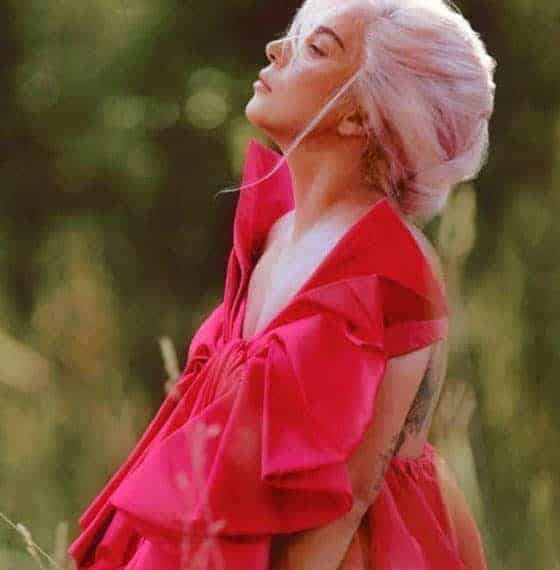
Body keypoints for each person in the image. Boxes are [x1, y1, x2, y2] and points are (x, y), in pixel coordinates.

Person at [68, 0, 496, 568]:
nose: (275, 50)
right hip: (237, 527)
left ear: (360, 117)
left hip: (337, 549)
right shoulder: (273, 230)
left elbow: (353, 494)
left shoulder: (393, 264)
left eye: (315, 48)